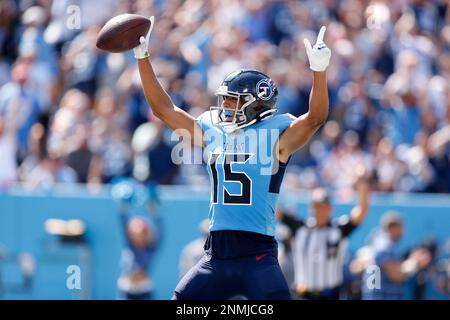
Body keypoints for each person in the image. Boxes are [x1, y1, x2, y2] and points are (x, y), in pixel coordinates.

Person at [132, 17, 331, 300]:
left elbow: (315, 118)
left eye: (232, 100)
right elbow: (165, 110)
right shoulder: (214, 129)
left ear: (256, 104)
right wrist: (143, 58)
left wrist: (319, 71)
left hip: (257, 256)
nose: (225, 106)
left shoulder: (277, 135)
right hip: (217, 255)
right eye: (225, 99)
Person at [276, 174, 370, 300]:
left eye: (323, 206)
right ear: (311, 208)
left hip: (330, 295)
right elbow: (276, 211)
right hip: (303, 294)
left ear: (330, 208)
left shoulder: (338, 229)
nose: (320, 210)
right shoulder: (299, 228)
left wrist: (362, 183)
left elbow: (361, 211)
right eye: (317, 206)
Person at [361, 211, 432, 300]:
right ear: (394, 228)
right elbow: (396, 275)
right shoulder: (384, 246)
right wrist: (415, 262)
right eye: (402, 228)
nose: (403, 232)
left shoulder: (381, 243)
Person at [114, 180, 161, 300]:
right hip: (127, 288)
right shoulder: (130, 245)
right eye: (134, 233)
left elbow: (159, 228)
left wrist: (153, 209)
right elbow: (122, 220)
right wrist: (123, 205)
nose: (136, 236)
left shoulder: (150, 247)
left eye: (139, 233)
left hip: (144, 289)